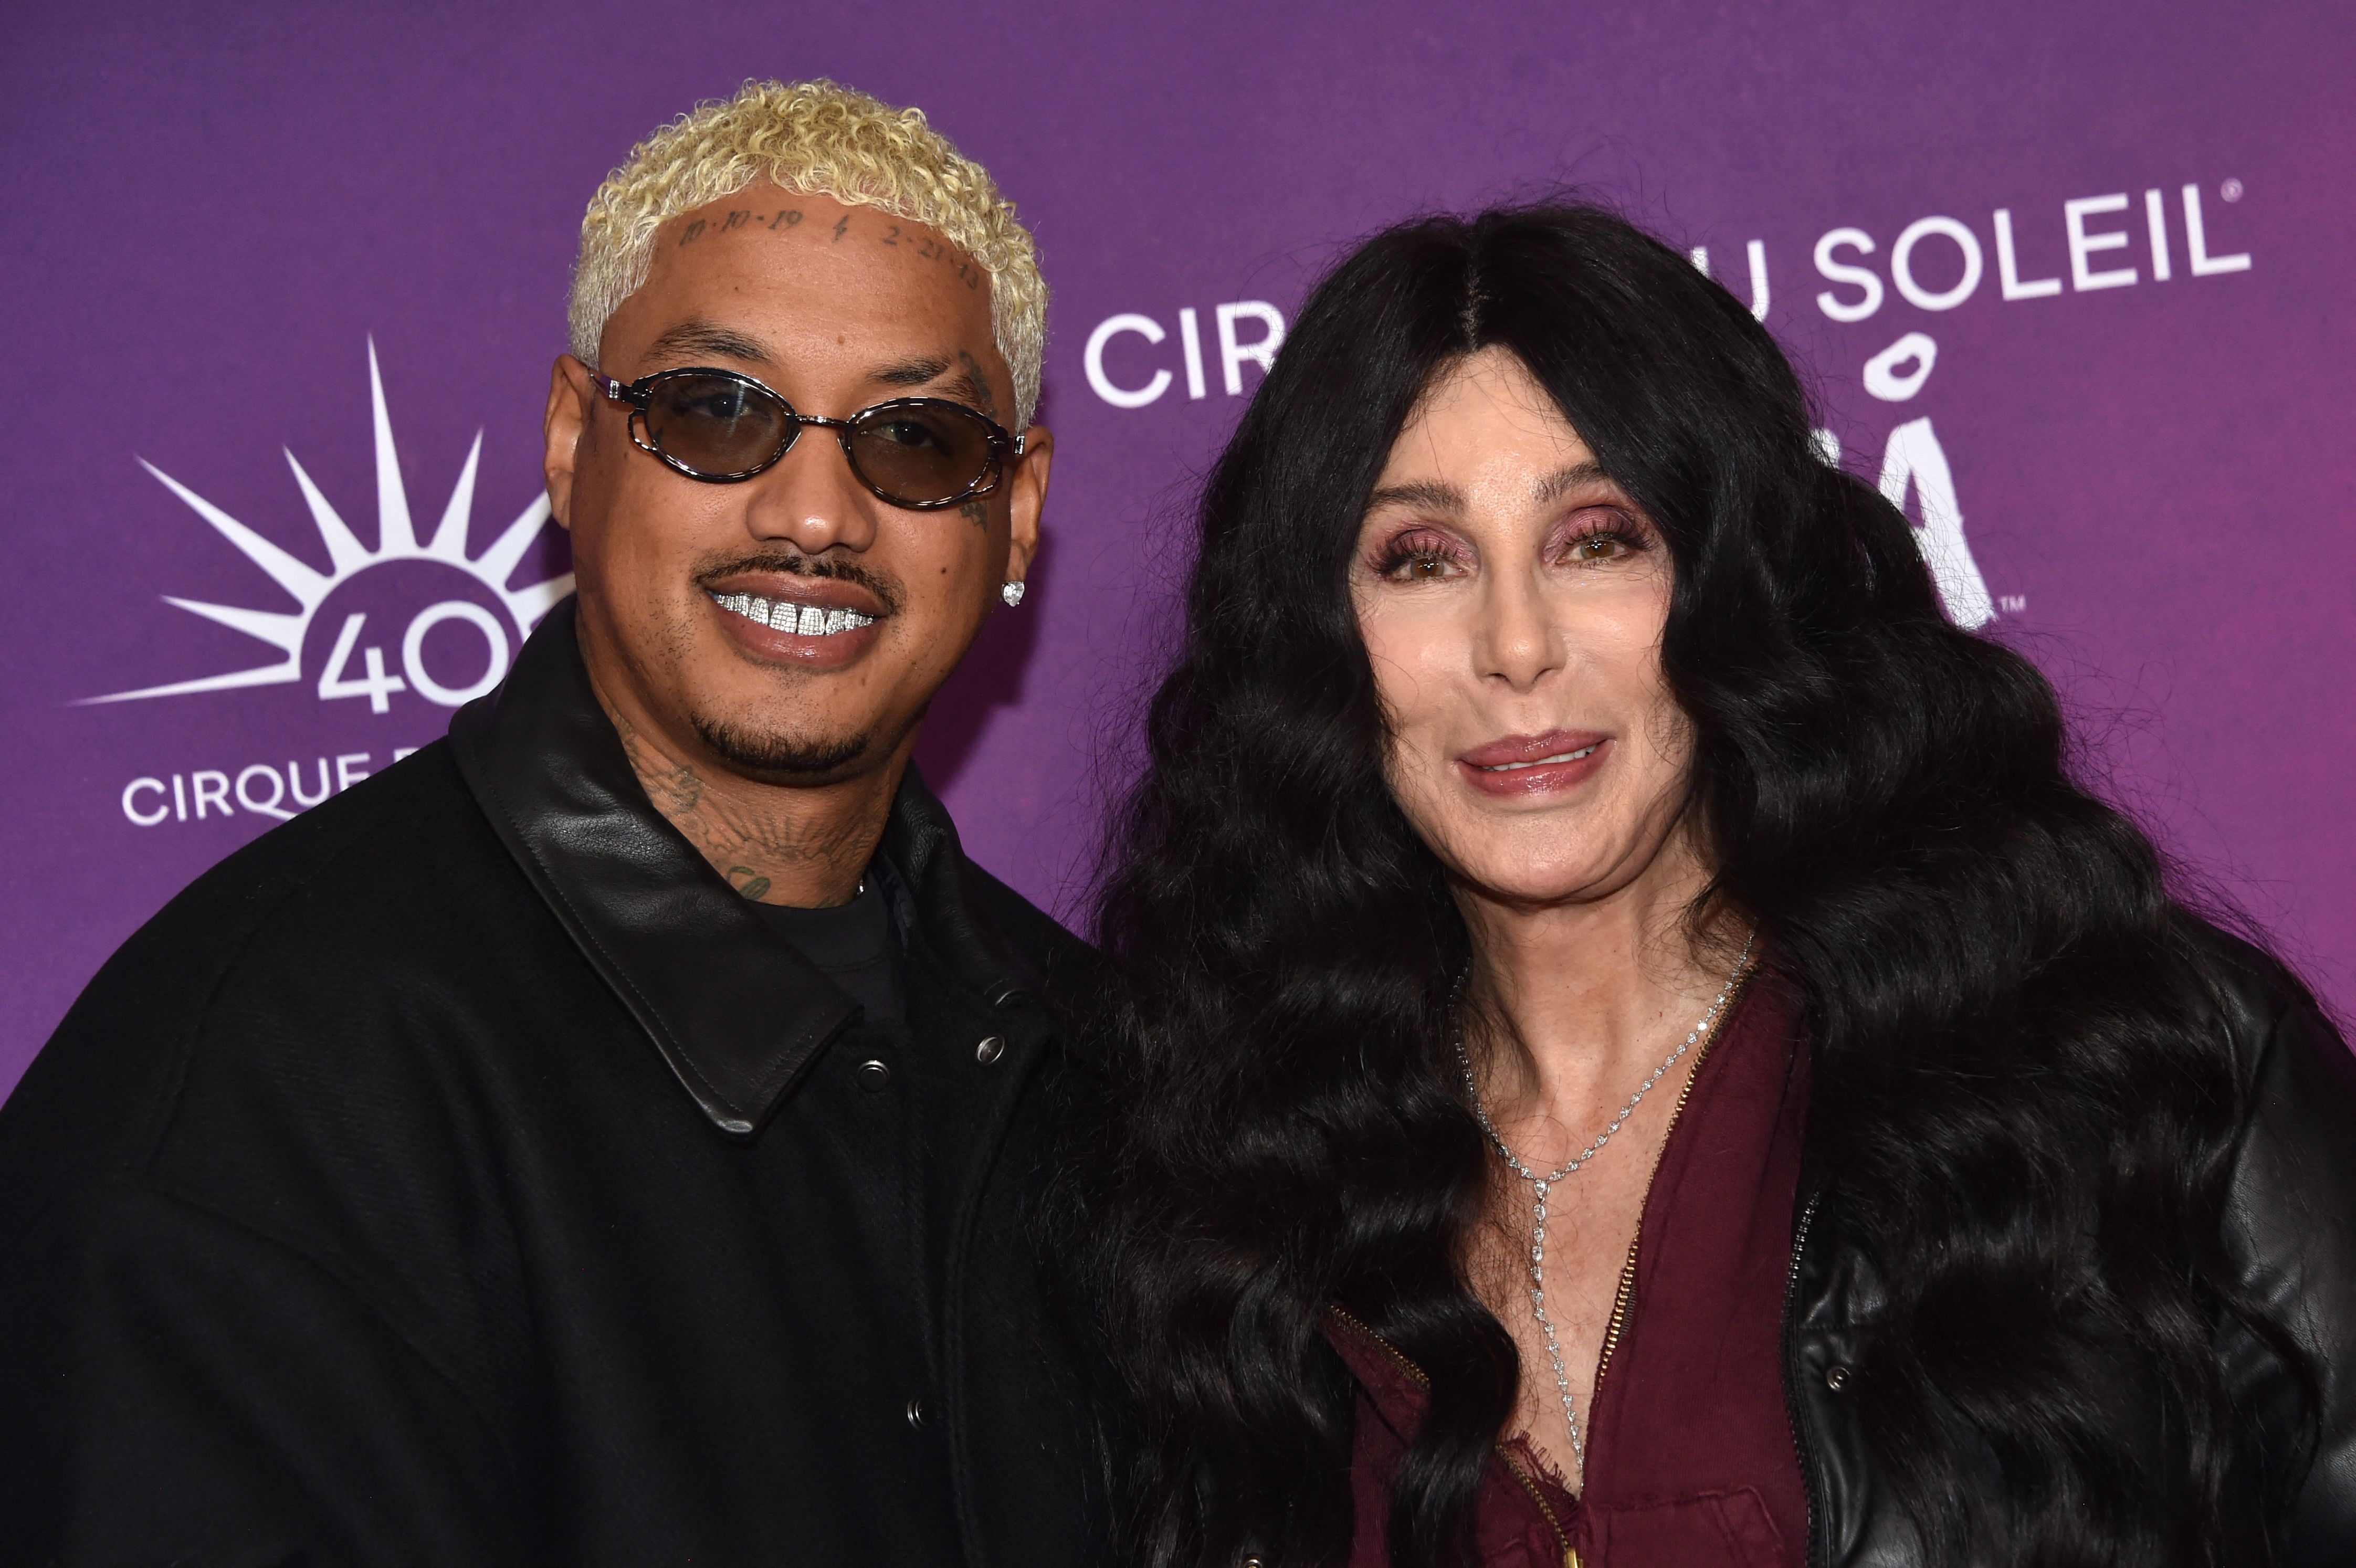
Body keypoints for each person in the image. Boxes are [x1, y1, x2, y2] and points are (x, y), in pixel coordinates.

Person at [1063, 203, 2356, 1567]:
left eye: (1598, 538)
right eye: (1421, 561)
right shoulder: (1233, 1209)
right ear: (1325, 643)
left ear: (1731, 586)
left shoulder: (2132, 1068)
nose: (1515, 645)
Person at [0, 80, 1101, 1568]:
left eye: (913, 439)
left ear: (1016, 512)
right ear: (574, 442)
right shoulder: (261, 1091)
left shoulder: (1086, 1055)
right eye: (719, 413)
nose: (817, 514)